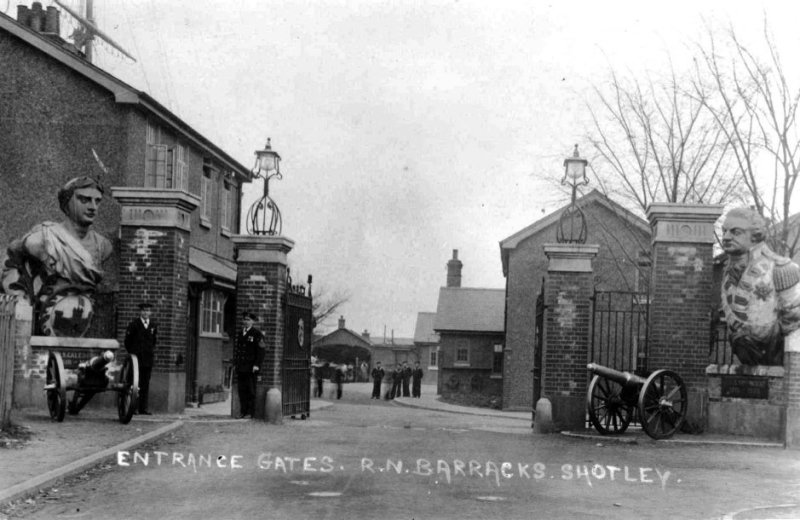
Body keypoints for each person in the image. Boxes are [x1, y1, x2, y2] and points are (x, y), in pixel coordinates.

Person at [1, 176, 112, 336]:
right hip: (47, 319)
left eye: (97, 201)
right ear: (67, 202)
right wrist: (19, 296)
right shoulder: (43, 238)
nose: (92, 207)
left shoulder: (103, 246)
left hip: (81, 321)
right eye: (84, 200)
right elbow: (13, 257)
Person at [720, 207, 800, 365]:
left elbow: (794, 320)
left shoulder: (782, 269)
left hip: (775, 356)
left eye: (736, 232)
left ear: (754, 236)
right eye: (724, 231)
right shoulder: (727, 274)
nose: (726, 237)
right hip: (744, 355)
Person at [124, 302, 157, 415]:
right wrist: (133, 354)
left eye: (148, 311)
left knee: (145, 384)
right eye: (143, 311)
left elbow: (153, 342)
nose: (145, 313)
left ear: (150, 313)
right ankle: (134, 407)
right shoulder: (134, 324)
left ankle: (144, 408)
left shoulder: (153, 326)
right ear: (140, 312)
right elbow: (127, 342)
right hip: (136, 359)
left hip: (147, 360)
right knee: (134, 383)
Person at [233, 312, 265, 418]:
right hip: (241, 366)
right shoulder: (240, 333)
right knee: (241, 390)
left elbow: (261, 351)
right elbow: (238, 350)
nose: (246, 322)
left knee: (250, 390)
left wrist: (256, 365)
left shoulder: (257, 334)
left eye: (248, 320)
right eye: (244, 319)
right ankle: (243, 411)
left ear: (252, 321)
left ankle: (250, 412)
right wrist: (236, 363)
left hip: (251, 367)